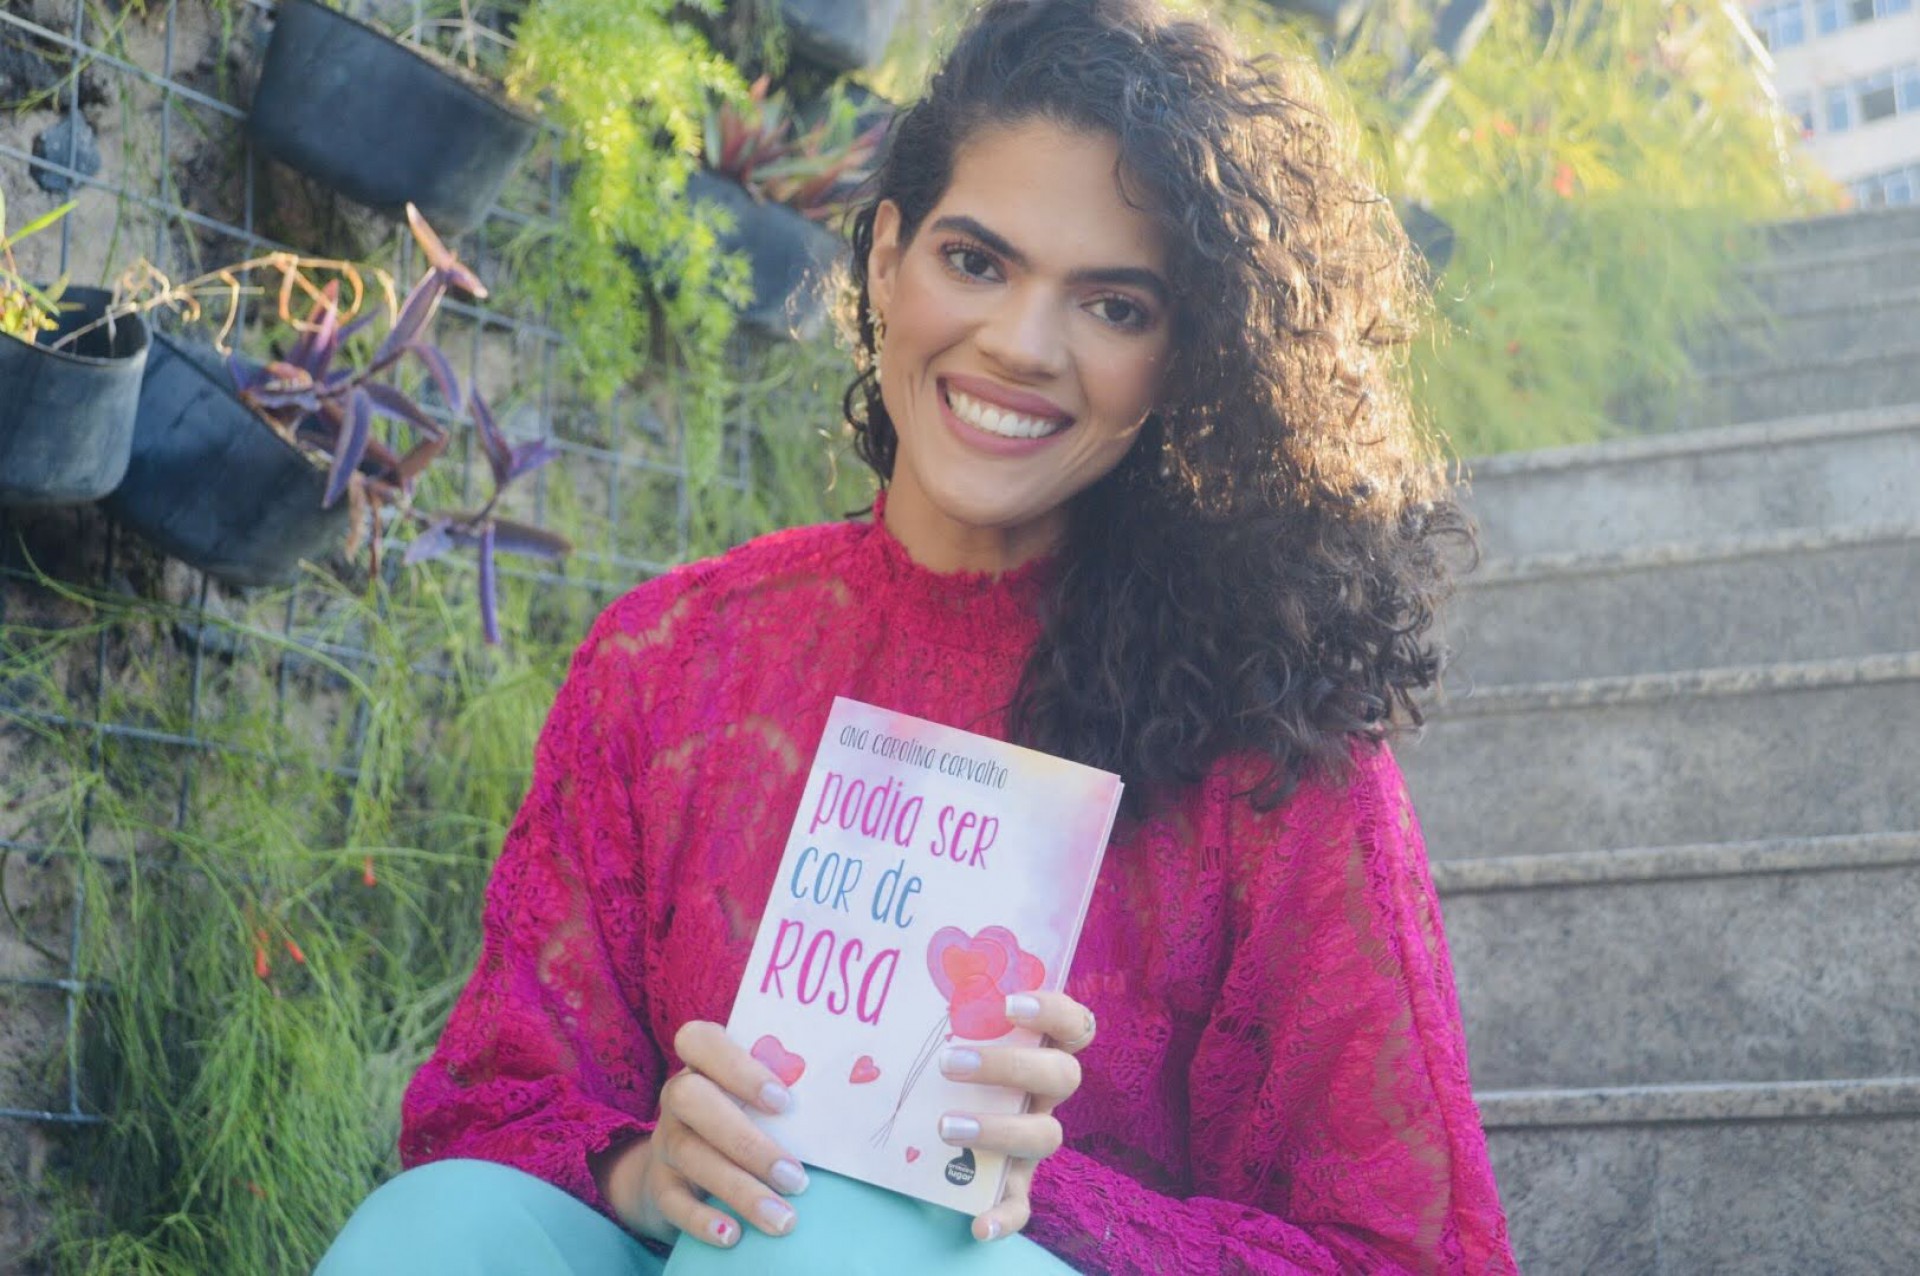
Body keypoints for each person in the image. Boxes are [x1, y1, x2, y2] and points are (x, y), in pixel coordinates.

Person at [317, 0, 1517, 1271]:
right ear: (888, 260)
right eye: (976, 261)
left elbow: (1407, 1248)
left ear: (1184, 358)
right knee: (436, 1228)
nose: (1021, 345)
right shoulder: (668, 661)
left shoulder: (1268, 728)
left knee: (827, 1231)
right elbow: (492, 1109)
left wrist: (1049, 1204)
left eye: (1114, 307)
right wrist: (646, 1168)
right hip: (702, 1246)